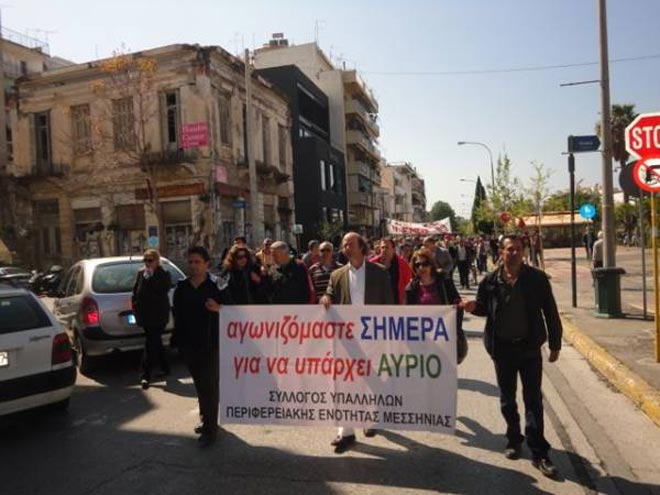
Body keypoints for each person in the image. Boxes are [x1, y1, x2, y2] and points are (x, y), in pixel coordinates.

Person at [462, 235, 562, 478]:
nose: (514, 253)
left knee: (533, 400)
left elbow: (550, 311)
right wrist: (474, 307)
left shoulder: (537, 279)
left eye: (518, 249)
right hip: (502, 350)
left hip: (529, 349)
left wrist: (555, 344)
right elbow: (485, 308)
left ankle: (539, 452)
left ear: (524, 251)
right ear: (501, 252)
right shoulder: (490, 281)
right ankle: (514, 439)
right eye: (509, 249)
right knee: (507, 399)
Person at [320, 232, 394, 453]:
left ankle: (370, 418)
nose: (346, 247)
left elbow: (389, 304)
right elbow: (329, 294)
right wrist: (326, 298)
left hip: (373, 337)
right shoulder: (337, 275)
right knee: (345, 383)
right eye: (344, 245)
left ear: (362, 247)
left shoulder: (379, 273)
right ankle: (346, 431)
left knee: (372, 380)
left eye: (350, 244)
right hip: (347, 338)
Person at [171, 246, 233, 447]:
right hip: (189, 345)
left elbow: (233, 309)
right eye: (190, 262)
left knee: (210, 386)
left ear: (207, 264)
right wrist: (177, 341)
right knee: (200, 385)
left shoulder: (217, 285)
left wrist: (219, 308)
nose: (193, 266)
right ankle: (206, 419)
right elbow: (177, 315)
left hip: (211, 343)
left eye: (198, 262)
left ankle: (210, 430)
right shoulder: (182, 287)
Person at [404, 249, 467, 364]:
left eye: (425, 264)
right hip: (422, 339)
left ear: (431, 264)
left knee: (445, 368)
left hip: (444, 336)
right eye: (417, 265)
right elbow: (407, 314)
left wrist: (455, 325)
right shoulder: (411, 288)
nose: (421, 267)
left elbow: (457, 303)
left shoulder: (444, 281)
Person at [131, 248, 171, 389]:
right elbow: (136, 291)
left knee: (150, 342)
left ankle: (145, 375)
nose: (147, 263)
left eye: (150, 260)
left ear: (157, 261)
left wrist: (152, 277)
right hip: (145, 315)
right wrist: (135, 307)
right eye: (145, 260)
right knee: (155, 341)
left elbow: (163, 290)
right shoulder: (141, 273)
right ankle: (165, 367)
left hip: (159, 315)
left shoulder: (163, 274)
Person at [370, 237, 414, 304]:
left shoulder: (402, 264)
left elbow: (407, 284)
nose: (384, 250)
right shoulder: (372, 263)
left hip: (396, 302)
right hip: (377, 303)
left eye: (387, 247)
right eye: (382, 247)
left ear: (393, 249)